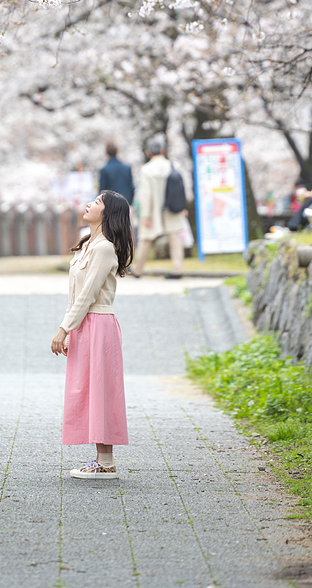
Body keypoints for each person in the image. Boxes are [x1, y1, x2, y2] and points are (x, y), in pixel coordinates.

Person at [51, 191, 133, 479]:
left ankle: (106, 462)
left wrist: (63, 329)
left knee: (101, 391)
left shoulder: (104, 249)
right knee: (87, 390)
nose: (89, 204)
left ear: (108, 212)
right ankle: (102, 460)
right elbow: (75, 296)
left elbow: (87, 296)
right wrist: (71, 329)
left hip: (98, 324)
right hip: (86, 325)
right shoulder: (88, 245)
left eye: (97, 202)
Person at [133, 138, 186, 276]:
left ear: (149, 152)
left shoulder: (146, 169)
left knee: (145, 238)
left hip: (153, 209)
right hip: (172, 208)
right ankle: (177, 269)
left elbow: (146, 194)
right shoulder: (174, 165)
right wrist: (182, 207)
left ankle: (138, 270)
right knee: (175, 237)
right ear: (163, 150)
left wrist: (145, 215)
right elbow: (181, 189)